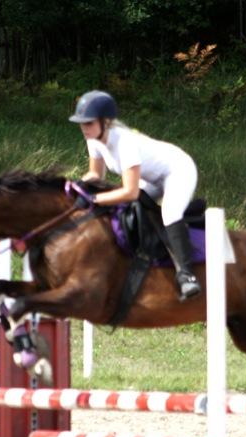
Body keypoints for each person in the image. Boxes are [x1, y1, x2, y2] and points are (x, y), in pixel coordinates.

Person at [69, 90, 201, 301]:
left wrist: (95, 199)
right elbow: (96, 175)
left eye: (89, 123)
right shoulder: (94, 140)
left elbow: (130, 192)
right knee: (130, 211)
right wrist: (76, 186)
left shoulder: (124, 143)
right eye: (81, 124)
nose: (84, 128)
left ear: (105, 122)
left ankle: (187, 275)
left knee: (169, 212)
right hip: (151, 179)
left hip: (178, 170)